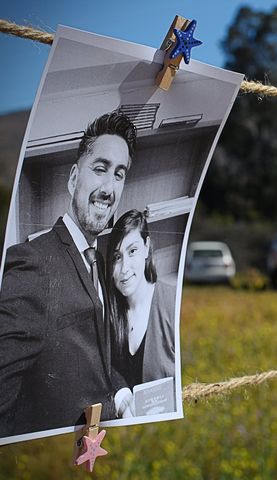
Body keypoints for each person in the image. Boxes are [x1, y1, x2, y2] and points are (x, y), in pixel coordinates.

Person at [0, 111, 136, 437]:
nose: (109, 187)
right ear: (74, 178)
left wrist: (119, 392)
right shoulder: (30, 262)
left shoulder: (97, 262)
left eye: (119, 174)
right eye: (100, 169)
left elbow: (91, 357)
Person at [106, 209, 175, 394]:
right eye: (117, 258)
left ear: (146, 247)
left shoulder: (172, 302)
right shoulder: (111, 315)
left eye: (132, 251)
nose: (124, 269)